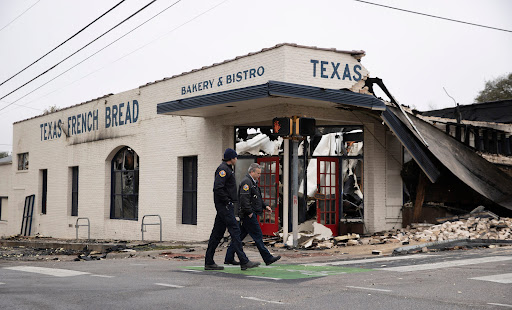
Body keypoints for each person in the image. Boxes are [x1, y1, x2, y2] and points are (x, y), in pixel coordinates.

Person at [204, 148, 260, 271]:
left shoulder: (227, 169)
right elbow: (218, 188)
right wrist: (227, 201)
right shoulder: (223, 169)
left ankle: (209, 261)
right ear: (231, 158)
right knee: (235, 232)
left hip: (223, 207)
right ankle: (244, 261)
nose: (236, 159)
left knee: (217, 234)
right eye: (235, 157)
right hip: (224, 206)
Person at [224, 163, 281, 266]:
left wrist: (265, 206)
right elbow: (244, 199)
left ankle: (229, 258)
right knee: (258, 235)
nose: (259, 175)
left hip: (249, 214)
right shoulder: (247, 182)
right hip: (248, 215)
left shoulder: (253, 182)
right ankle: (267, 258)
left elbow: (257, 198)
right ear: (252, 172)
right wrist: (249, 212)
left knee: (239, 237)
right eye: (258, 173)